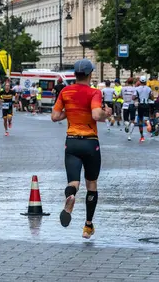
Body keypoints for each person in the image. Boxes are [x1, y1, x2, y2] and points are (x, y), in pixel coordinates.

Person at [51, 59, 112, 239]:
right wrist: (106, 113)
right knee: (91, 183)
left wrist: (68, 113)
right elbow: (96, 114)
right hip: (90, 142)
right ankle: (87, 226)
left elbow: (55, 116)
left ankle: (70, 197)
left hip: (72, 142)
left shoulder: (65, 91)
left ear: (75, 74)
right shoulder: (94, 92)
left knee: (73, 182)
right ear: (90, 74)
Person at [135, 76, 153, 143]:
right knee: (146, 119)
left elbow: (133, 97)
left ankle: (142, 136)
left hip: (140, 105)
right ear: (145, 81)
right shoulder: (149, 89)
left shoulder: (137, 89)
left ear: (140, 81)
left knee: (140, 120)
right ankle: (148, 124)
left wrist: (136, 97)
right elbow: (152, 97)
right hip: (146, 105)